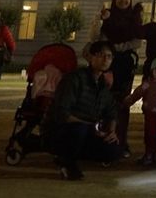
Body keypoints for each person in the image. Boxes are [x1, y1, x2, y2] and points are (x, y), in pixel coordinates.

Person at [47, 40, 124, 180]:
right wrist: (89, 127)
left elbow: (112, 111)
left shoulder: (103, 85)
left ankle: (73, 154)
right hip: (64, 130)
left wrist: (111, 131)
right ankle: (67, 162)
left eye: (109, 56)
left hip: (88, 131)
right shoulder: (74, 79)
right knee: (78, 130)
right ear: (90, 57)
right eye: (101, 55)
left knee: (114, 150)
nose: (105, 59)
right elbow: (62, 112)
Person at [91, 0, 144, 157]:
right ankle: (100, 137)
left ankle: (121, 141)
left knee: (123, 103)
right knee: (103, 101)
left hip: (125, 65)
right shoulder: (107, 15)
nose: (123, 0)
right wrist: (100, 19)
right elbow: (95, 37)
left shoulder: (134, 18)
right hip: (108, 64)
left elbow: (137, 41)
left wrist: (118, 47)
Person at [123, 53, 156, 165]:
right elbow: (138, 93)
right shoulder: (147, 84)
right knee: (149, 134)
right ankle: (148, 153)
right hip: (149, 114)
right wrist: (130, 100)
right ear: (152, 70)